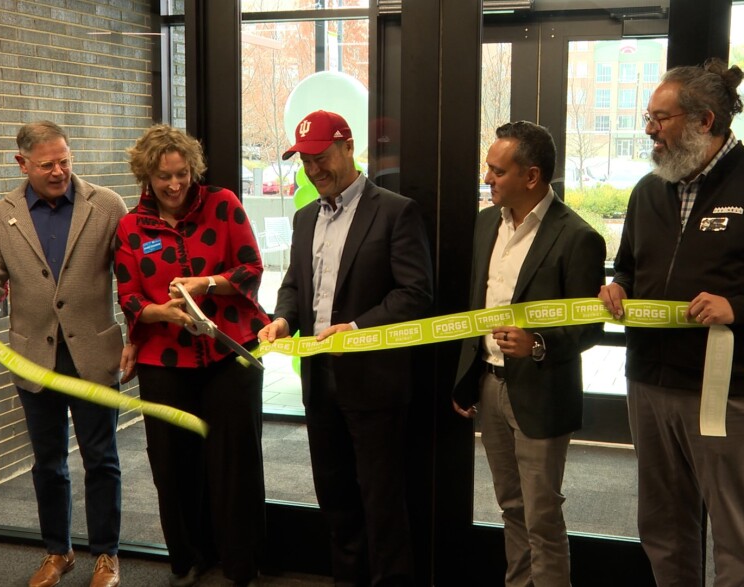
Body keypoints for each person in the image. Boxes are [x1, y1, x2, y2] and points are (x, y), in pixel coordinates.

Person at [0, 121, 132, 587]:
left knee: (101, 458)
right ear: (22, 163)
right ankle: (57, 552)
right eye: (47, 165)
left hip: (93, 354)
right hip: (33, 359)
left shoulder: (105, 206)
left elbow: (131, 279)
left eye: (65, 160)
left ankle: (107, 555)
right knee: (48, 462)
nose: (59, 170)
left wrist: (138, 335)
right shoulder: (1, 216)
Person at [258, 110, 433, 587]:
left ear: (348, 147)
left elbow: (415, 294)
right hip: (319, 382)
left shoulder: (396, 211)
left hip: (374, 383)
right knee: (335, 500)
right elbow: (295, 284)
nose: (314, 170)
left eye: (321, 158)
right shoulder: (304, 217)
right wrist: (281, 318)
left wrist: (355, 327)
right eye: (305, 161)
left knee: (382, 503)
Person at [597, 59, 744, 586]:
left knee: (736, 532)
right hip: (648, 383)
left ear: (705, 121)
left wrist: (737, 307)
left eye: (661, 118)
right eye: (648, 117)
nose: (649, 129)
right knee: (663, 526)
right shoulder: (647, 190)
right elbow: (630, 269)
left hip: (722, 391)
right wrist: (618, 288)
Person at [452, 121, 605, 587]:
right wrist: (466, 376)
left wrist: (539, 343)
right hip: (490, 385)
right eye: (488, 170)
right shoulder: (484, 223)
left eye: (497, 171)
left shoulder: (578, 237)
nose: (488, 180)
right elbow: (477, 305)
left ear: (532, 177)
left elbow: (588, 325)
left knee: (542, 515)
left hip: (542, 391)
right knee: (511, 509)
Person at [114, 123, 268, 587]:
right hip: (163, 362)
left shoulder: (223, 205)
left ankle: (241, 564)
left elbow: (252, 268)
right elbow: (127, 295)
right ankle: (187, 558)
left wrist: (209, 284)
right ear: (147, 176)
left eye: (182, 174)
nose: (175, 185)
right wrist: (156, 312)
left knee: (234, 465)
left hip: (229, 354)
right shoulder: (130, 226)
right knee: (171, 466)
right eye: (164, 177)